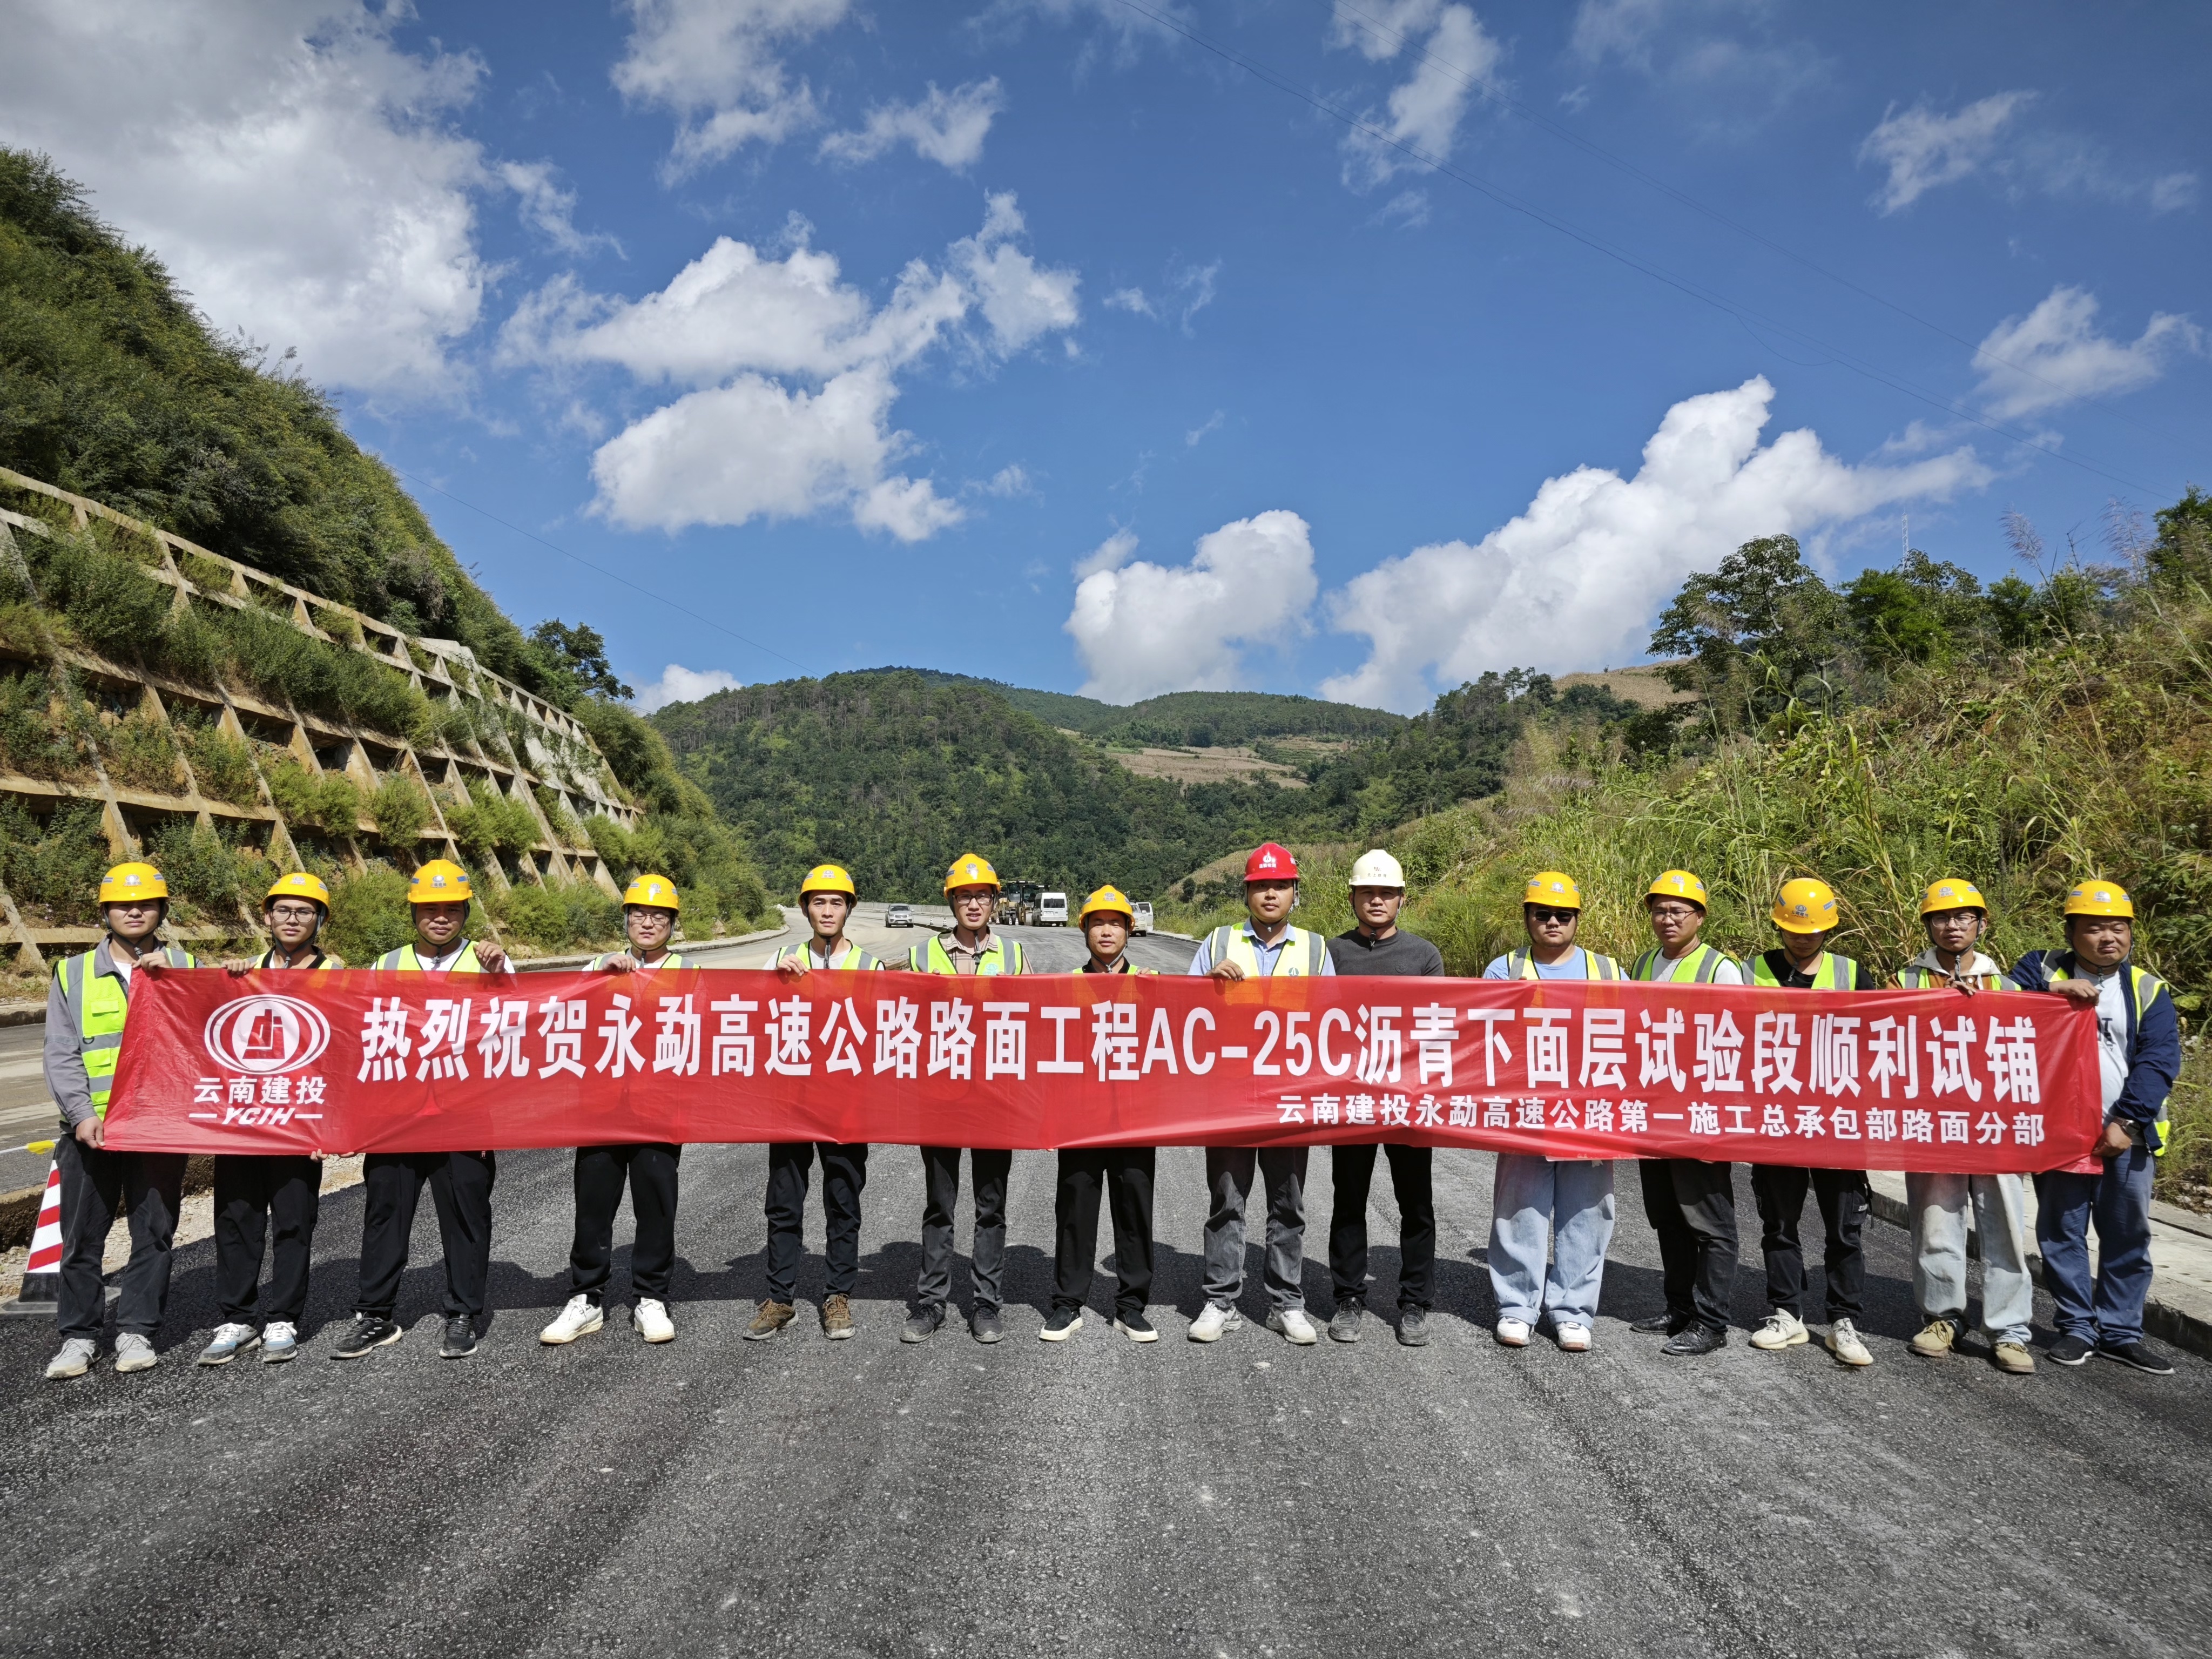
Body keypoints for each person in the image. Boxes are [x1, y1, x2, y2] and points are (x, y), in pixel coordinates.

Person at [333, 859, 508, 1363]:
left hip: (465, 1113)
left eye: (450, 909)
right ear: (413, 913)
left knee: (466, 1216)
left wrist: (501, 976)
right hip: (397, 1115)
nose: (440, 917)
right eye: (429, 909)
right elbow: (356, 1032)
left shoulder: (489, 962)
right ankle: (375, 1314)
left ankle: (463, 1312)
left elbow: (520, 1029)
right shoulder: (386, 965)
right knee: (386, 1212)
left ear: (465, 912)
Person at [2010, 879, 2181, 1375]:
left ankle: (2121, 1332)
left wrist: (2126, 1120)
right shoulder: (2038, 966)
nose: (2110, 938)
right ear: (2071, 932)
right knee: (2061, 1231)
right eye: (2096, 928)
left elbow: (2160, 1060)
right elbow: (1996, 1003)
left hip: (2125, 1135)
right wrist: (2051, 989)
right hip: (2059, 1133)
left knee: (2127, 1235)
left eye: (2119, 928)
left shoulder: (2147, 989)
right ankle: (2077, 1327)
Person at [42, 862, 198, 1381]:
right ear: (105, 913)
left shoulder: (184, 966)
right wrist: (82, 1115)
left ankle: (136, 1329)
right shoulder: (72, 973)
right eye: (123, 904)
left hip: (158, 1128)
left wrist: (179, 979)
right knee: (81, 1238)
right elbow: (61, 1052)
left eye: (147, 903)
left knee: (154, 1233)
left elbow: (207, 1041)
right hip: (91, 1131)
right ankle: (79, 1337)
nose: (135, 911)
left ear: (161, 912)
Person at [1186, 841, 1334, 1346]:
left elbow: (1334, 1022)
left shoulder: (1316, 949)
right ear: (1246, 892)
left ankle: (1286, 1303)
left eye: (1280, 885)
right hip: (1230, 1096)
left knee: (1287, 1202)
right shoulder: (1219, 941)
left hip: (1291, 1097)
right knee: (1228, 1198)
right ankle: (1221, 1299)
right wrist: (1209, 983)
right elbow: (1186, 1013)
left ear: (1295, 892)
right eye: (1260, 886)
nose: (1270, 894)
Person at [199, 872, 344, 1367]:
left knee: (293, 1221)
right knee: (236, 1220)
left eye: (305, 912)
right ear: (267, 916)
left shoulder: (335, 972)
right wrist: (224, 975)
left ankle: (283, 1316)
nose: (292, 919)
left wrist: (331, 1126)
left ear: (320, 920)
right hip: (244, 1119)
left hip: (300, 1117)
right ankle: (237, 1317)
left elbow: (342, 1055)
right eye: (284, 910)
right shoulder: (243, 970)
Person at [542, 874, 689, 1350]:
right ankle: (586, 1297)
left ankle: (651, 1296)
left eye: (659, 916)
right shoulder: (598, 965)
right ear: (625, 919)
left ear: (673, 924)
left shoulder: (691, 972)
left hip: (659, 1110)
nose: (648, 923)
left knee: (656, 1205)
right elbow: (559, 1012)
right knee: (594, 1205)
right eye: (639, 914)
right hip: (602, 1110)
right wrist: (600, 973)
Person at [1895, 879, 2035, 1376]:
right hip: (1932, 1125)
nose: (1952, 926)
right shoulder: (1904, 981)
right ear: (1928, 925)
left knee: (2004, 1228)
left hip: (1995, 1127)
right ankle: (1942, 1317)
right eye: (1941, 918)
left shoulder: (2011, 986)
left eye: (1963, 918)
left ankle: (2011, 1330)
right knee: (1936, 1223)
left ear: (1981, 923)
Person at [1483, 872, 1621, 1353]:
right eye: (1543, 913)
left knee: (1587, 1210)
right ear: (1527, 917)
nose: (1553, 922)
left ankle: (1573, 1311)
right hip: (1526, 1109)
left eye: (1564, 915)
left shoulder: (1607, 970)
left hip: (1588, 1109)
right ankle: (1517, 1306)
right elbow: (1490, 1039)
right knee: (1521, 1206)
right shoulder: (1504, 969)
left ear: (1577, 919)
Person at [1747, 877, 1880, 1367]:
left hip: (1837, 1123)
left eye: (1813, 930)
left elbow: (1881, 1042)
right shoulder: (1752, 971)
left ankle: (1844, 1321)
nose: (1802, 937)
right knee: (1779, 1223)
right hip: (1777, 1121)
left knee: (1844, 1228)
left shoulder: (1851, 974)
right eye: (1792, 928)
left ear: (1829, 929)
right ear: (1778, 924)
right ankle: (1786, 1312)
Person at [748, 864, 882, 1343]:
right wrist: (774, 985)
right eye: (819, 902)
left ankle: (837, 1295)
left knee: (843, 1201)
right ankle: (781, 1298)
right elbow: (750, 1020)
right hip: (792, 1103)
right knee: (784, 1203)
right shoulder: (781, 958)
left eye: (837, 902)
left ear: (850, 908)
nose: (828, 910)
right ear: (805, 908)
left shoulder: (870, 966)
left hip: (847, 1104)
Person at [901, 853, 1027, 1345]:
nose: (973, 904)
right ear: (950, 901)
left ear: (995, 902)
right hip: (941, 1098)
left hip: (996, 1098)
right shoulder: (919, 957)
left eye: (982, 896)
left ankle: (986, 1303)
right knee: (939, 1204)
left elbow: (1044, 1019)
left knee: (991, 1206)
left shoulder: (1015, 957)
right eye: (964, 896)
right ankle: (931, 1302)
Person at [1324, 849, 1444, 1347]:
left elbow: (1443, 1027)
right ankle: (1349, 1297)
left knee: (1416, 1203)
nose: (1377, 900)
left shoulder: (1424, 955)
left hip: (1408, 1102)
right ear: (1352, 897)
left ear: (1401, 899)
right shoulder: (1328, 954)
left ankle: (1415, 1303)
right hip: (1351, 1098)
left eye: (1387, 894)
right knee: (1348, 1201)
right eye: (1368, 892)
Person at [1626, 869, 1742, 1358]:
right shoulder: (1645, 962)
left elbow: (1738, 1048)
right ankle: (1679, 1308)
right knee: (1668, 1218)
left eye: (1678, 911)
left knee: (1709, 1222)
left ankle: (1712, 1322)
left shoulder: (1721, 970)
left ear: (1699, 917)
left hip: (1700, 1117)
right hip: (1653, 1115)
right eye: (1659, 910)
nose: (1667, 918)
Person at [1043, 886, 1160, 1344]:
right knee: (1075, 1209)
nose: (1106, 931)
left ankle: (1131, 1306)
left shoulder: (1150, 985)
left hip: (1134, 1118)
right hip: (1081, 1119)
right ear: (1084, 931)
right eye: (1097, 923)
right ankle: (1067, 1304)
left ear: (1130, 930)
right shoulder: (1065, 986)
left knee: (1135, 1210)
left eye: (1115, 923)